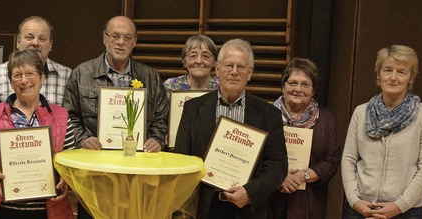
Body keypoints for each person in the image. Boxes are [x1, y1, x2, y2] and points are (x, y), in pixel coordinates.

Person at [64, 15, 169, 219]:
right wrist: (82, 139)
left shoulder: (150, 76)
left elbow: (161, 117)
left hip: (137, 176)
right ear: (105, 39)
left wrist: (156, 139)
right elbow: (70, 117)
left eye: (127, 38)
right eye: (116, 36)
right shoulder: (81, 74)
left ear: (134, 42)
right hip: (95, 175)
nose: (121, 42)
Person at [174, 39, 287, 219]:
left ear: (250, 73)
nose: (234, 72)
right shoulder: (193, 109)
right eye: (229, 65)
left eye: (241, 67)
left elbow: (278, 166)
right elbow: (181, 159)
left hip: (248, 210)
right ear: (217, 69)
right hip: (203, 208)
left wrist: (250, 193)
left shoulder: (269, 114)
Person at [0, 49, 74, 219]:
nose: (24, 81)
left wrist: (66, 176)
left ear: (42, 77)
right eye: (17, 75)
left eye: (30, 73)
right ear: (10, 81)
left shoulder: (61, 116)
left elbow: (70, 160)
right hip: (0, 209)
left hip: (48, 211)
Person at [341, 45, 422, 219]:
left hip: (407, 211)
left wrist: (399, 206)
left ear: (411, 77)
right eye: (387, 70)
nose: (393, 77)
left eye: (401, 72)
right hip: (360, 209)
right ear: (379, 74)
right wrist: (354, 200)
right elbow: (349, 160)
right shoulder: (361, 112)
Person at [266, 58, 341, 219]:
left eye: (305, 84)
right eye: (292, 83)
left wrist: (302, 175)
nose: (298, 89)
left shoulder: (326, 119)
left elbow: (332, 160)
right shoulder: (266, 116)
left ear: (313, 91)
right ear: (283, 86)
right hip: (269, 200)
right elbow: (257, 156)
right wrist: (278, 177)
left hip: (309, 202)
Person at [0, 16, 72, 106]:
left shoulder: (67, 76)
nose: (35, 43)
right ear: (18, 42)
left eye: (42, 39)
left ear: (50, 45)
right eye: (29, 37)